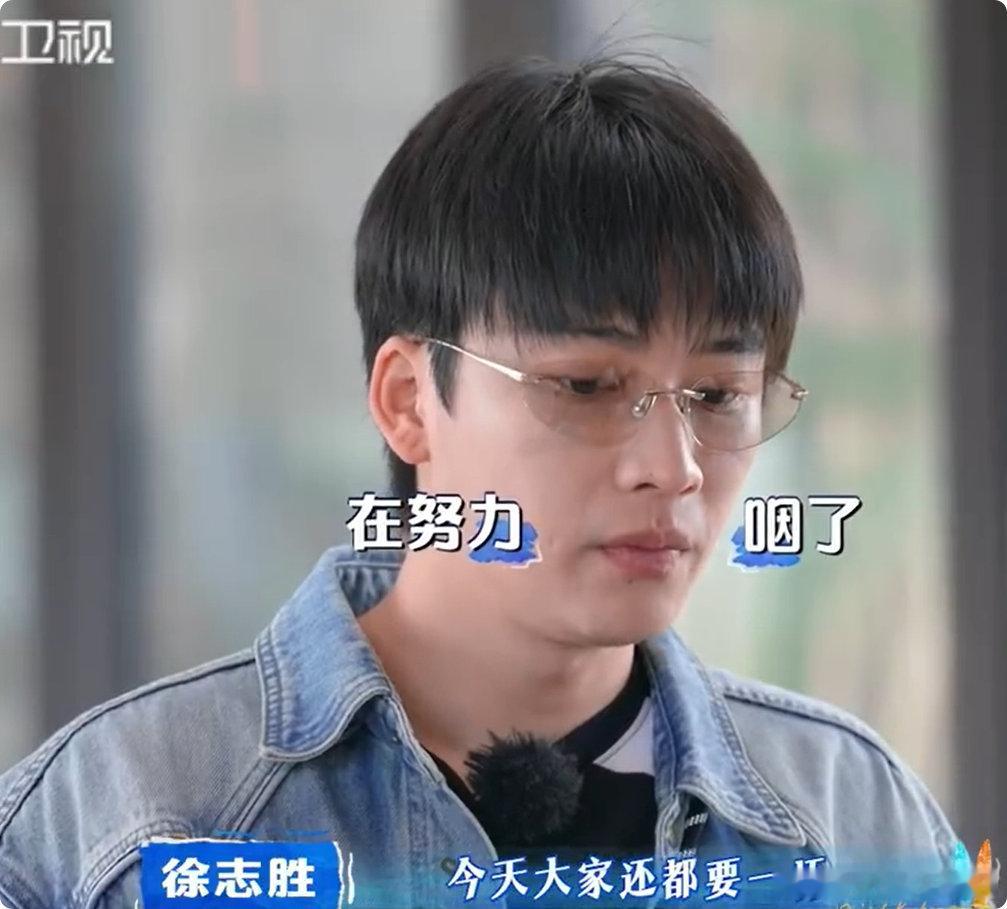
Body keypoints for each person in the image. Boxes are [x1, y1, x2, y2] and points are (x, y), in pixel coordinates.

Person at [0, 56, 968, 909]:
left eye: (717, 396)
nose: (671, 467)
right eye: (586, 386)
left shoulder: (851, 819)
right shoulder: (122, 822)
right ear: (409, 400)